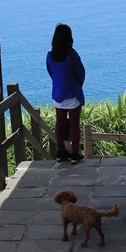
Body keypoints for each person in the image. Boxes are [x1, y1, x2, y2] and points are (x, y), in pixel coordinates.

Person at [46, 23, 86, 164]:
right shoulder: (72, 55)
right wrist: (77, 86)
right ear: (69, 38)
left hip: (58, 95)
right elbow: (81, 73)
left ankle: (61, 152)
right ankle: (75, 153)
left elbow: (51, 73)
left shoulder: (50, 56)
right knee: (75, 124)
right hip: (73, 93)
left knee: (60, 123)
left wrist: (59, 85)